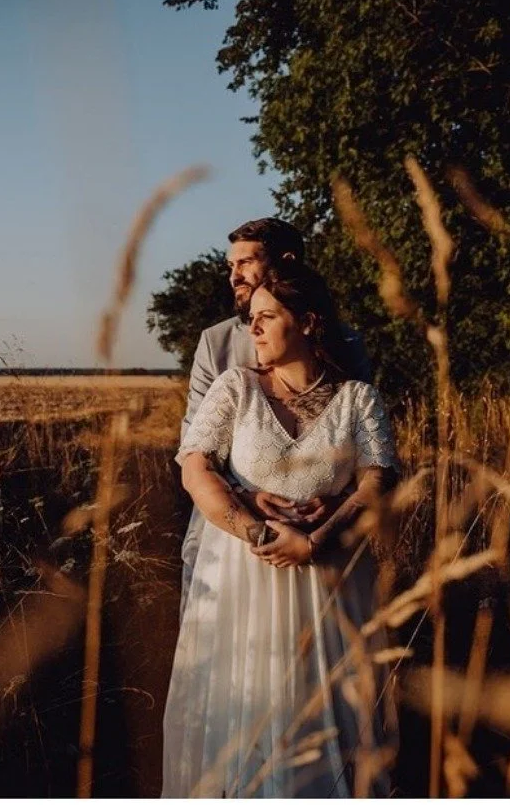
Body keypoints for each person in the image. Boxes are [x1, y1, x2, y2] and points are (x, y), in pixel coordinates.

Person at [162, 263, 397, 798]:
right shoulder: (236, 388)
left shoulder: (358, 399)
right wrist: (256, 532)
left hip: (329, 588)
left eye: (266, 316)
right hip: (241, 587)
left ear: (309, 322)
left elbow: (377, 480)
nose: (253, 329)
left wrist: (317, 540)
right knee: (244, 712)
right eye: (251, 318)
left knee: (323, 718)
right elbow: (194, 467)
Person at [178, 217, 372, 616]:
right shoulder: (215, 343)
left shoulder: (346, 341)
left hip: (323, 540)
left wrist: (336, 505)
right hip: (230, 534)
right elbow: (193, 450)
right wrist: (246, 498)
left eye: (246, 262)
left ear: (286, 260)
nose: (234, 276)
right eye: (230, 266)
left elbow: (361, 437)